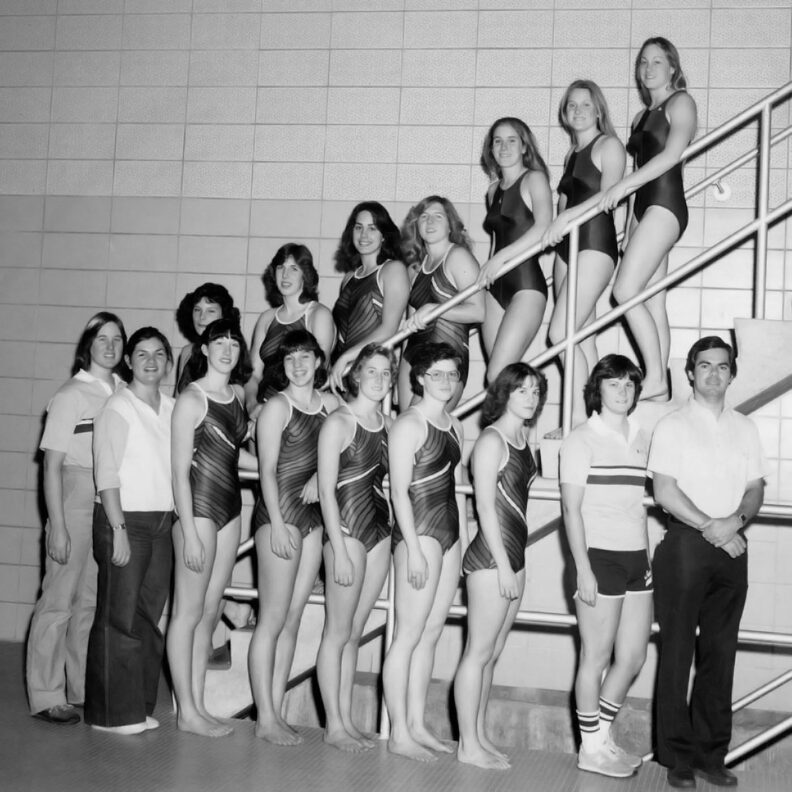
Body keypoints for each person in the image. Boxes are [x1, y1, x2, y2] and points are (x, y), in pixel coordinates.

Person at [649, 337, 765, 789]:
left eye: (721, 366)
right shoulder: (672, 426)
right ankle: (676, 755)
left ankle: (710, 754)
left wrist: (733, 522)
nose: (713, 374)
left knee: (721, 652)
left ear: (732, 373)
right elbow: (665, 492)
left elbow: (755, 488)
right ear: (690, 373)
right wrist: (710, 526)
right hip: (686, 544)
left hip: (733, 544)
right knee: (677, 650)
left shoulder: (746, 428)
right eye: (704, 366)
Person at [26, 312, 127, 725]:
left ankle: (80, 688)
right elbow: (50, 466)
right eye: (101, 338)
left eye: (117, 338)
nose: (110, 345)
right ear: (88, 345)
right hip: (74, 495)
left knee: (89, 601)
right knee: (58, 601)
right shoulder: (71, 394)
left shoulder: (121, 390)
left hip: (109, 498)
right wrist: (59, 526)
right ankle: (46, 692)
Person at [560, 354, 651, 778]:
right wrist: (582, 567)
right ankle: (589, 749)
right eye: (614, 383)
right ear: (598, 389)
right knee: (594, 657)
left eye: (630, 383)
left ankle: (601, 737)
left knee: (632, 657)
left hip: (637, 557)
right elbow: (570, 509)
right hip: (598, 557)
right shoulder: (581, 439)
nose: (623, 390)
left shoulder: (640, 435)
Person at [248, 329, 340, 745]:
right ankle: (265, 717)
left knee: (293, 618)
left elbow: (355, 447)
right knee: (271, 618)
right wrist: (280, 523)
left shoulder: (333, 406)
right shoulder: (275, 408)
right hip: (279, 514)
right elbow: (266, 470)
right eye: (290, 359)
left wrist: (323, 473)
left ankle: (278, 709)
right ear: (281, 366)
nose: (298, 365)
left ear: (319, 361)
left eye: (305, 357)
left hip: (313, 517)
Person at [454, 363, 547, 770]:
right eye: (522, 390)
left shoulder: (525, 437)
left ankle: (479, 733)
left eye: (535, 391)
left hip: (514, 556)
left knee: (492, 654)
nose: (530, 398)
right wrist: (506, 567)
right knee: (476, 653)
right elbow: (486, 508)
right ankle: (466, 745)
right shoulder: (492, 441)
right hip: (492, 560)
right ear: (504, 394)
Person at [168, 319, 257, 738]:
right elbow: (179, 472)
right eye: (217, 342)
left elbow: (234, 457)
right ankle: (185, 710)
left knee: (209, 610)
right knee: (186, 613)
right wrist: (186, 529)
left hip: (230, 510)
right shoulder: (191, 398)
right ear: (203, 349)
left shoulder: (237, 396)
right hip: (198, 511)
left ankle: (199, 705)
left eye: (232, 343)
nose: (226, 349)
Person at [85, 327, 175, 735]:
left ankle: (137, 706)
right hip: (124, 520)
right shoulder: (117, 406)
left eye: (159, 354)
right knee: (116, 618)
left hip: (161, 522)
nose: (151, 361)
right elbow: (106, 473)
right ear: (129, 361)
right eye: (141, 354)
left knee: (147, 619)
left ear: (169, 362)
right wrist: (117, 528)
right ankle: (109, 715)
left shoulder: (173, 409)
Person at [599, 38, 697, 400]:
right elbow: (641, 167)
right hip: (643, 209)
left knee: (625, 291)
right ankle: (659, 389)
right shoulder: (640, 117)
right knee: (653, 300)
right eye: (643, 61)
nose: (649, 67)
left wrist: (623, 186)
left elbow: (673, 154)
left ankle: (654, 377)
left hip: (666, 203)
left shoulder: (681, 101)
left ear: (672, 67)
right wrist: (628, 227)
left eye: (658, 61)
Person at [384, 343, 467, 762]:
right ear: (419, 377)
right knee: (408, 635)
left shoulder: (455, 425)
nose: (446, 382)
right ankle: (398, 731)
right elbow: (398, 491)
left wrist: (463, 540)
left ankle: (417, 723)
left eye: (452, 374)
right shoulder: (408, 425)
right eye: (437, 374)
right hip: (419, 532)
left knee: (431, 633)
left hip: (448, 531)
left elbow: (457, 488)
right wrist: (413, 549)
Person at [316, 344, 394, 751]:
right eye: (372, 372)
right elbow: (327, 491)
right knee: (337, 631)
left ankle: (345, 718)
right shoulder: (339, 423)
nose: (379, 380)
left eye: (386, 373)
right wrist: (340, 549)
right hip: (346, 530)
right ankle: (333, 726)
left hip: (379, 529)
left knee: (355, 633)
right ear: (355, 376)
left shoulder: (387, 421)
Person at [543, 81, 626, 428]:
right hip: (567, 249)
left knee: (560, 335)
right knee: (584, 338)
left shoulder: (609, 145)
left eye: (585, 105)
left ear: (598, 110)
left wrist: (565, 217)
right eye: (571, 105)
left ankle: (578, 418)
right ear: (564, 113)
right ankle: (599, 418)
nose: (578, 111)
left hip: (593, 242)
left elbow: (609, 195)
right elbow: (564, 202)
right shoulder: (571, 155)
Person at [477, 117, 553, 382]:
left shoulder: (534, 179)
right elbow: (499, 239)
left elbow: (544, 227)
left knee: (496, 373)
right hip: (495, 288)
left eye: (511, 140)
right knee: (502, 381)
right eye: (498, 141)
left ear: (524, 146)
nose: (504, 147)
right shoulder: (492, 191)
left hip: (525, 285)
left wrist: (500, 259)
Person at [398, 196, 484, 411]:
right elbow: (411, 323)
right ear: (416, 225)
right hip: (413, 355)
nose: (430, 221)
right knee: (405, 428)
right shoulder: (414, 268)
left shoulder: (458, 257)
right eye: (424, 217)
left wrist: (435, 310)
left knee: (422, 426)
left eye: (438, 216)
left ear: (450, 226)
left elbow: (478, 311)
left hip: (447, 355)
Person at [328, 202, 410, 392]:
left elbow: (389, 329)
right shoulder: (349, 278)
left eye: (372, 228)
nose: (364, 235)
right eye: (359, 227)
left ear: (384, 236)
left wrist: (346, 357)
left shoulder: (393, 270)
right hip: (342, 373)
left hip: (370, 372)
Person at [245, 243, 334, 413]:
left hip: (301, 414)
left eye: (294, 268)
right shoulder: (267, 318)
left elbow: (319, 374)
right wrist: (252, 406)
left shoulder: (318, 315)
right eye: (281, 267)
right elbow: (253, 375)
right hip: (263, 410)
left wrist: (282, 411)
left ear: (305, 275)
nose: (285, 275)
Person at [174, 283, 239, 394]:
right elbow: (177, 400)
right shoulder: (187, 352)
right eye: (197, 310)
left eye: (211, 311)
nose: (202, 317)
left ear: (224, 316)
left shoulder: (233, 352)